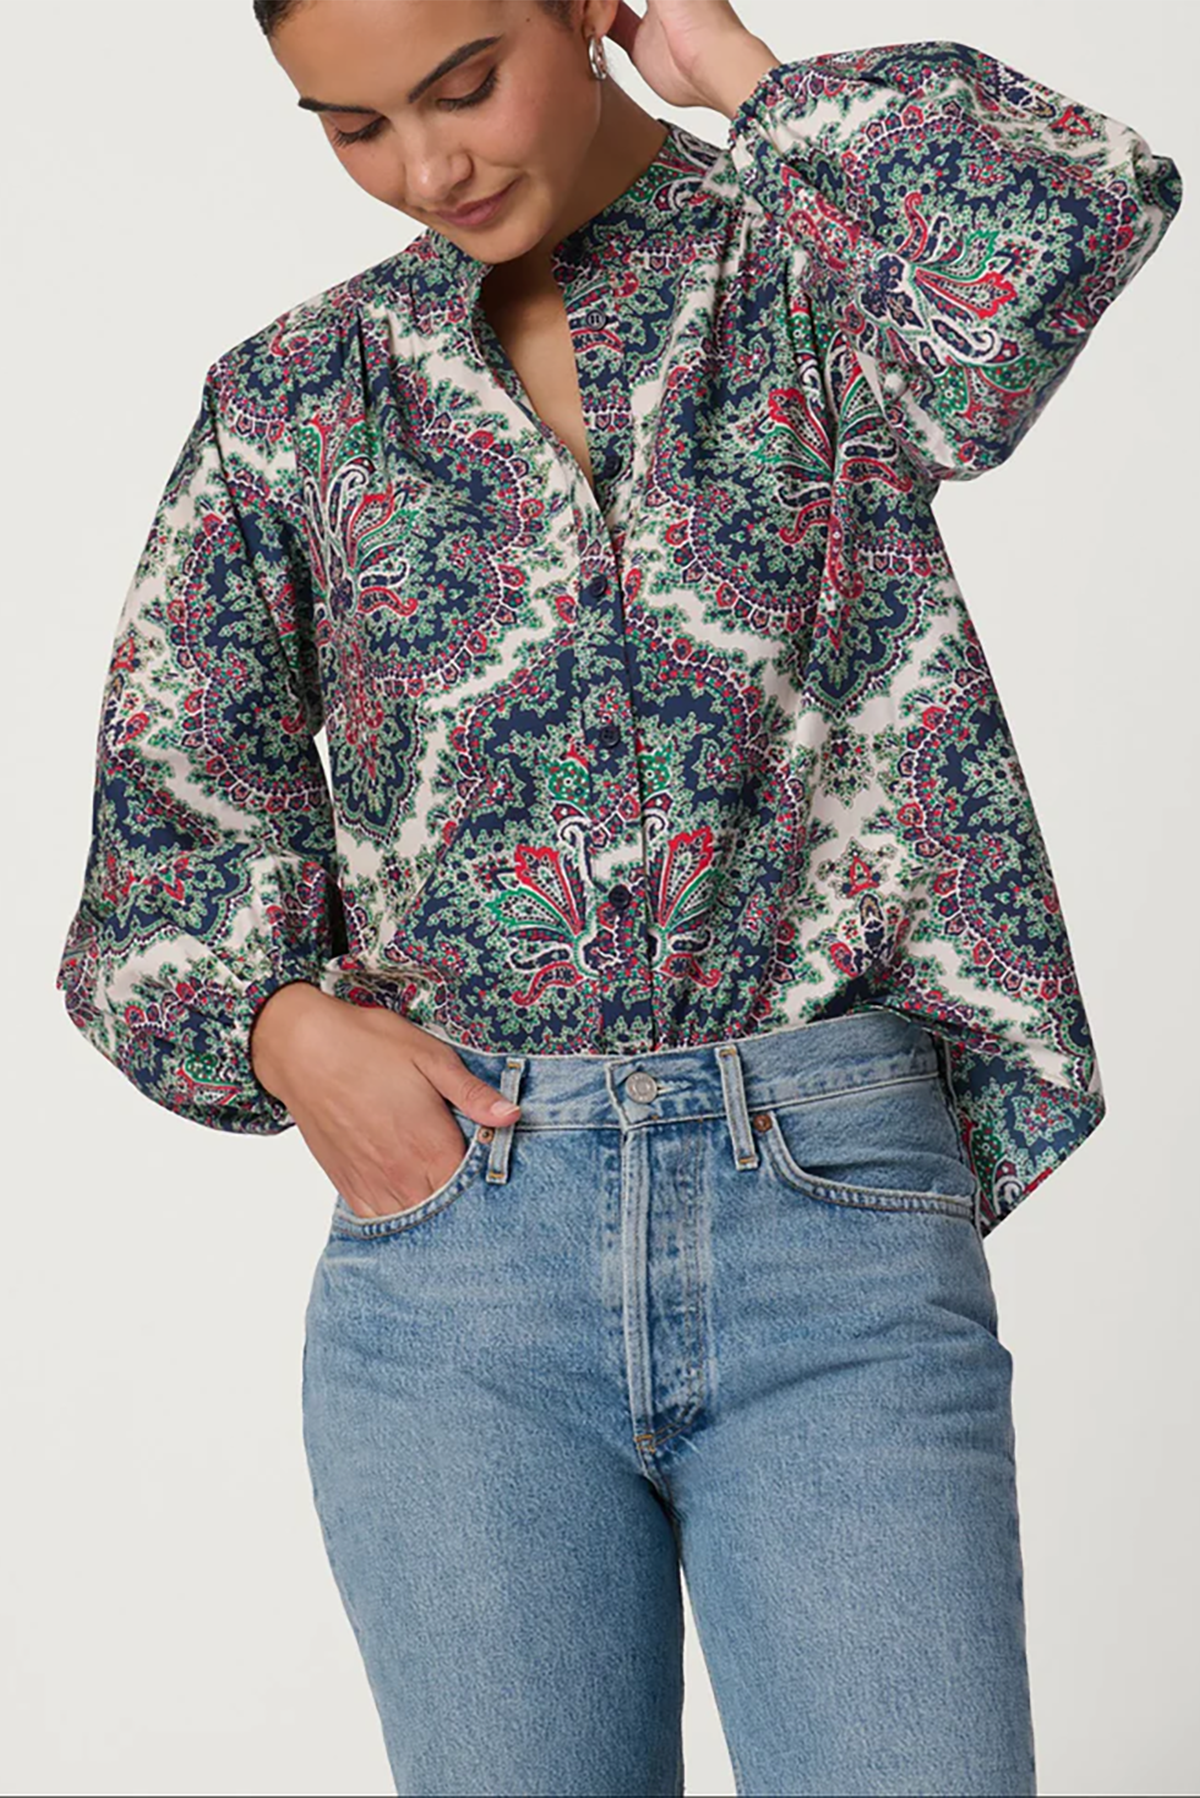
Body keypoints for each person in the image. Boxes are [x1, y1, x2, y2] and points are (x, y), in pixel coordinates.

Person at [55, 0, 1182, 1791]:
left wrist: (733, 67)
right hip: (462, 1267)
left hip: (831, 1214)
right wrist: (289, 1036)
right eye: (351, 127)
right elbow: (165, 854)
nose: (426, 169)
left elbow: (1063, 222)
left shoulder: (815, 273)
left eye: (461, 83)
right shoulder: (292, 407)